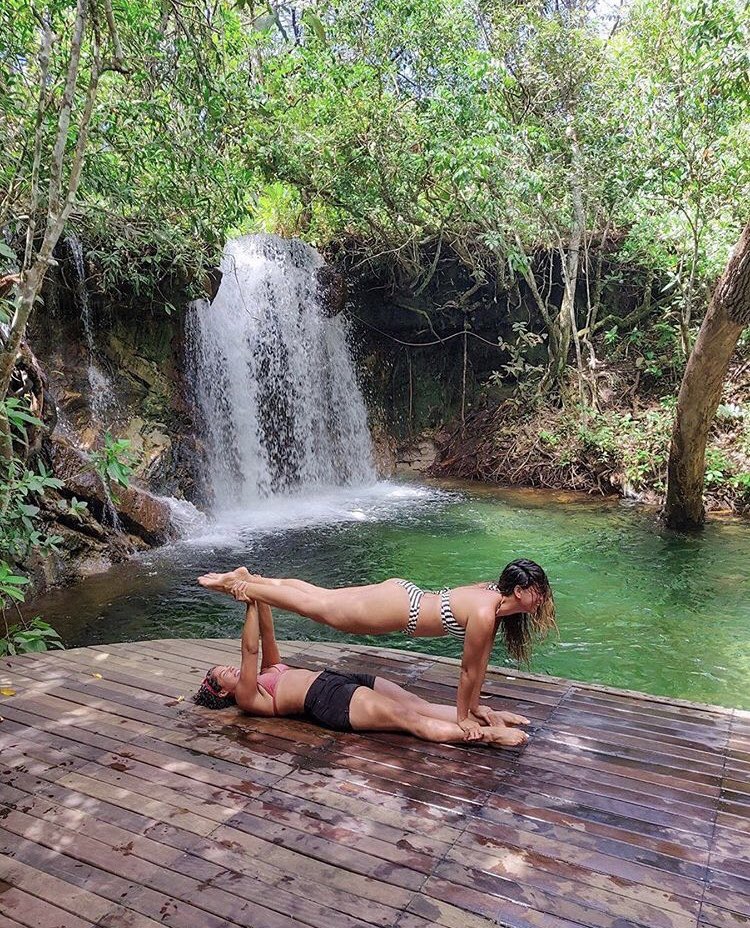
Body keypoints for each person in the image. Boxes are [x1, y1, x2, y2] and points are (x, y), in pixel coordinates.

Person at [198, 558, 555, 739]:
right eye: (539, 592)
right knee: (320, 606)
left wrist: (476, 708)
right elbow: (468, 669)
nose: (542, 599)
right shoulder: (485, 611)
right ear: (520, 591)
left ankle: (252, 580)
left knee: (321, 598)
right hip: (400, 609)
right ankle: (243, 585)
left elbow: (479, 664)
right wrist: (464, 717)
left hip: (402, 597)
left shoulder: (491, 598)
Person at [193, 596, 530, 747]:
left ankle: (484, 716)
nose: (230, 669)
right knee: (407, 720)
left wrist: (256, 592)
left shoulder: (268, 673)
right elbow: (249, 649)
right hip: (328, 701)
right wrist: (248, 602)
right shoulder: (249, 697)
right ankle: (487, 737)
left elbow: (266, 636)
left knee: (417, 703)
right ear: (221, 691)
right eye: (223, 673)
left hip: (340, 682)